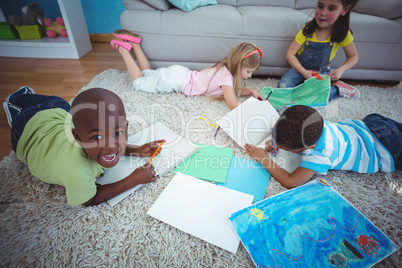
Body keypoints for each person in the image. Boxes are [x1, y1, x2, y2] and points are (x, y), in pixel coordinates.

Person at [3, 86, 164, 206]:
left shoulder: (95, 141)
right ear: (77, 137)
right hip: (25, 129)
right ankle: (14, 102)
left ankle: (25, 98)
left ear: (126, 128)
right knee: (23, 102)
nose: (110, 146)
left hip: (57, 112)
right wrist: (134, 180)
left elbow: (114, 147)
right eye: (97, 137)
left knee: (60, 104)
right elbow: (88, 199)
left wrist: (137, 150)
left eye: (117, 133)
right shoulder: (76, 170)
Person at [244, 105, 400, 189]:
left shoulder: (321, 154)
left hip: (384, 148)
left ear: (310, 146)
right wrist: (277, 139)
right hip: (373, 125)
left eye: (288, 149)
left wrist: (262, 158)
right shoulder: (310, 120)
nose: (283, 149)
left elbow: (290, 182)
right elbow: (289, 123)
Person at [111, 29, 263, 110]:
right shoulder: (226, 78)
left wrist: (250, 91)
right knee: (139, 83)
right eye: (248, 72)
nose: (249, 76)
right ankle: (124, 51)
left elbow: (230, 92)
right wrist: (257, 108)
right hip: (176, 81)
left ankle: (136, 44)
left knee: (148, 74)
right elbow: (233, 104)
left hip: (181, 74)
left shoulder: (225, 71)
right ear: (239, 65)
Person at [278, 0, 360, 100]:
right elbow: (290, 54)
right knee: (283, 87)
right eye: (320, 6)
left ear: (344, 10)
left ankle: (337, 89)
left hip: (321, 73)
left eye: (331, 8)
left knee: (318, 96)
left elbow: (353, 56)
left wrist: (341, 70)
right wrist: (304, 72)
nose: (322, 13)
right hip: (298, 70)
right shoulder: (307, 30)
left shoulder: (343, 34)